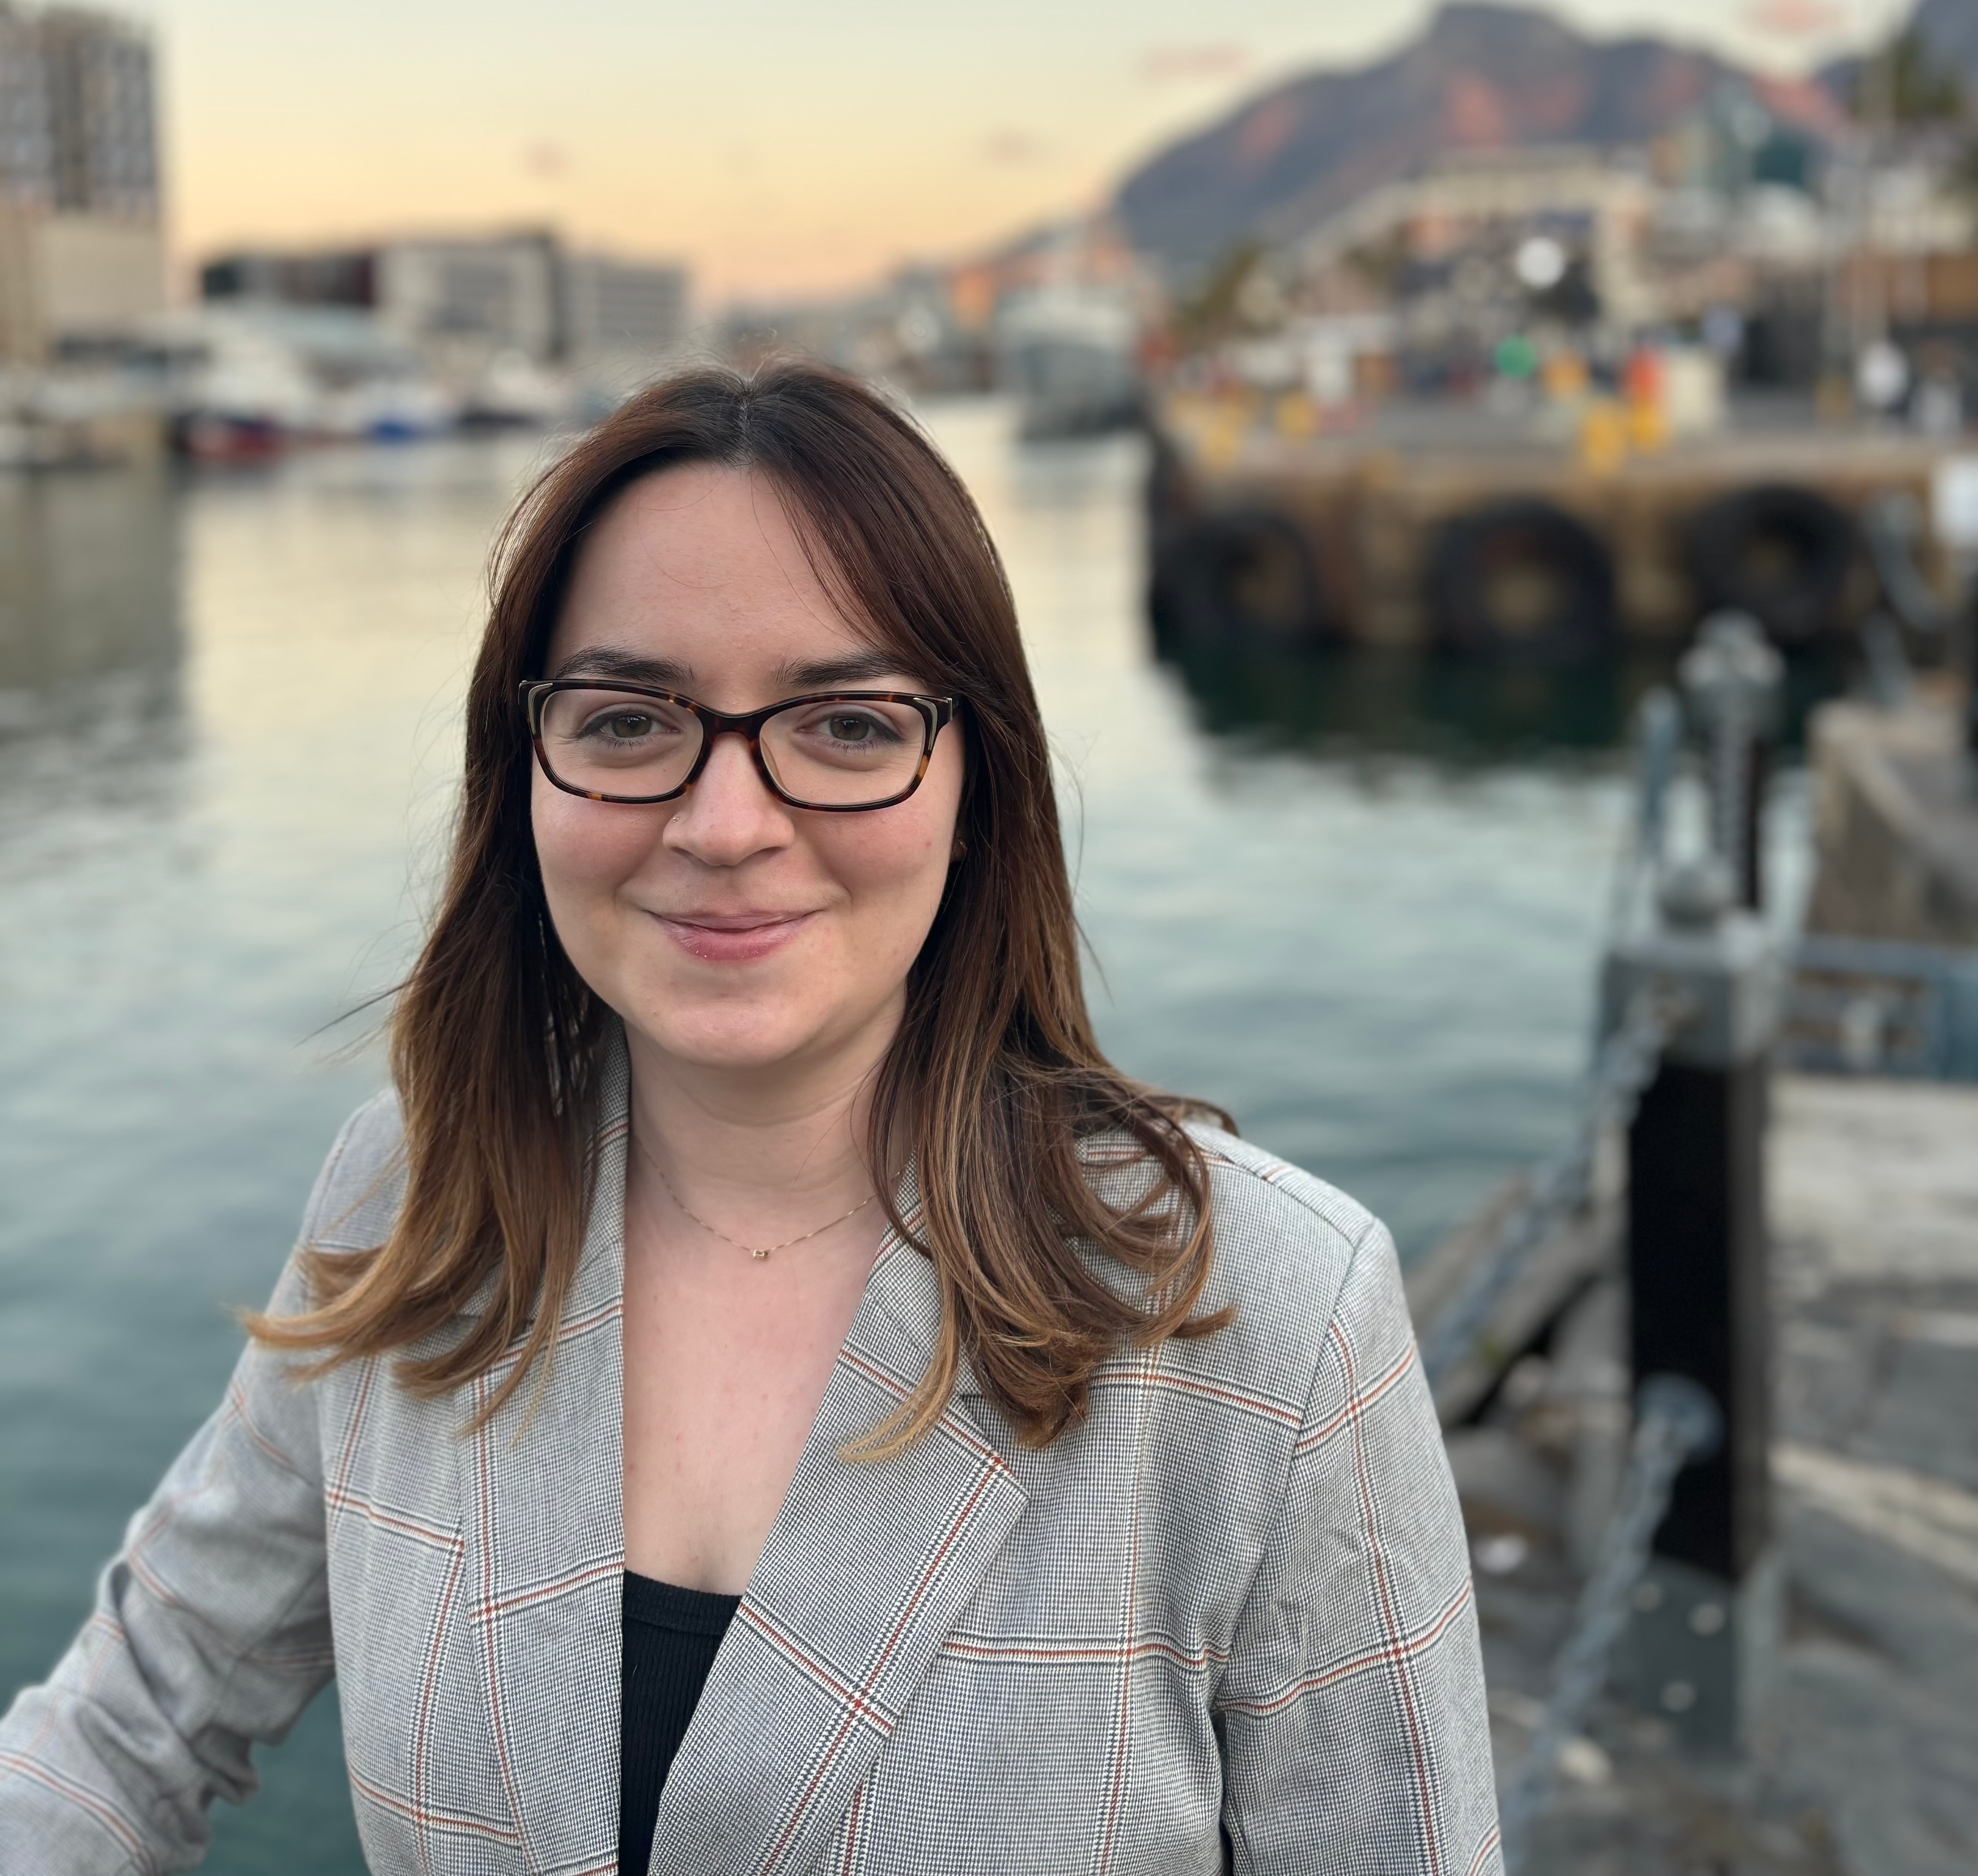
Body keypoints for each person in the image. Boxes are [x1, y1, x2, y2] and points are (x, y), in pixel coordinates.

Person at [0, 363, 1501, 1875]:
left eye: (846, 725)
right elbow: (129, 1729)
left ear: (977, 784)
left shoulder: (1262, 1321)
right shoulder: (419, 1202)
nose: (724, 827)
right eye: (627, 719)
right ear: (522, 766)